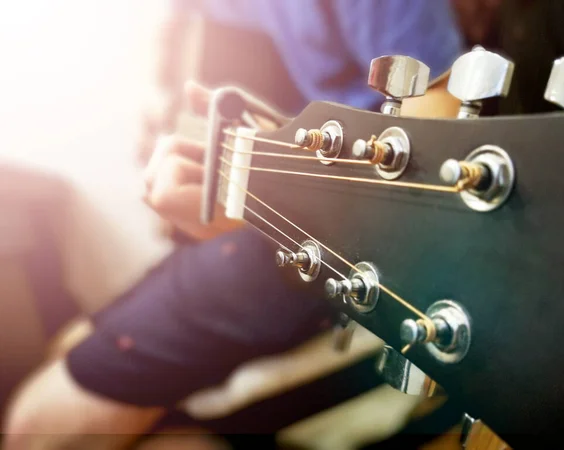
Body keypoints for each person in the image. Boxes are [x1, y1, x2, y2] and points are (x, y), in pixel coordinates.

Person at [2, 1, 463, 449]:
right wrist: (168, 129)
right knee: (67, 343)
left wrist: (273, 192)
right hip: (250, 225)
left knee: (32, 430)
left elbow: (436, 146)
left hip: (336, 238)